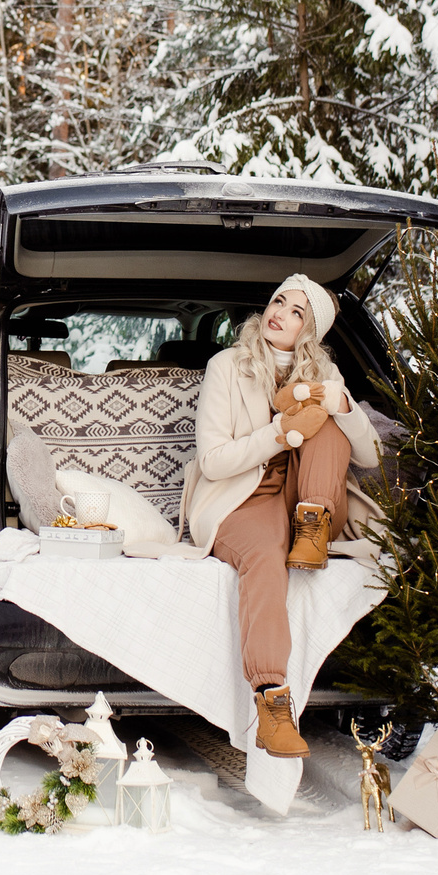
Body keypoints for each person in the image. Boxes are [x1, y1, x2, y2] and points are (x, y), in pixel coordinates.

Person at [179, 273, 381, 759]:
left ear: (311, 330)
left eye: (297, 311)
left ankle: (311, 533)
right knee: (268, 559)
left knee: (329, 429)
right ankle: (272, 706)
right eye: (278, 301)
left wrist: (341, 402)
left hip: (308, 502)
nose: (280, 314)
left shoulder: (325, 376)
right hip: (241, 501)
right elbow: (213, 461)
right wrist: (281, 433)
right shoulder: (227, 366)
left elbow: (371, 454)